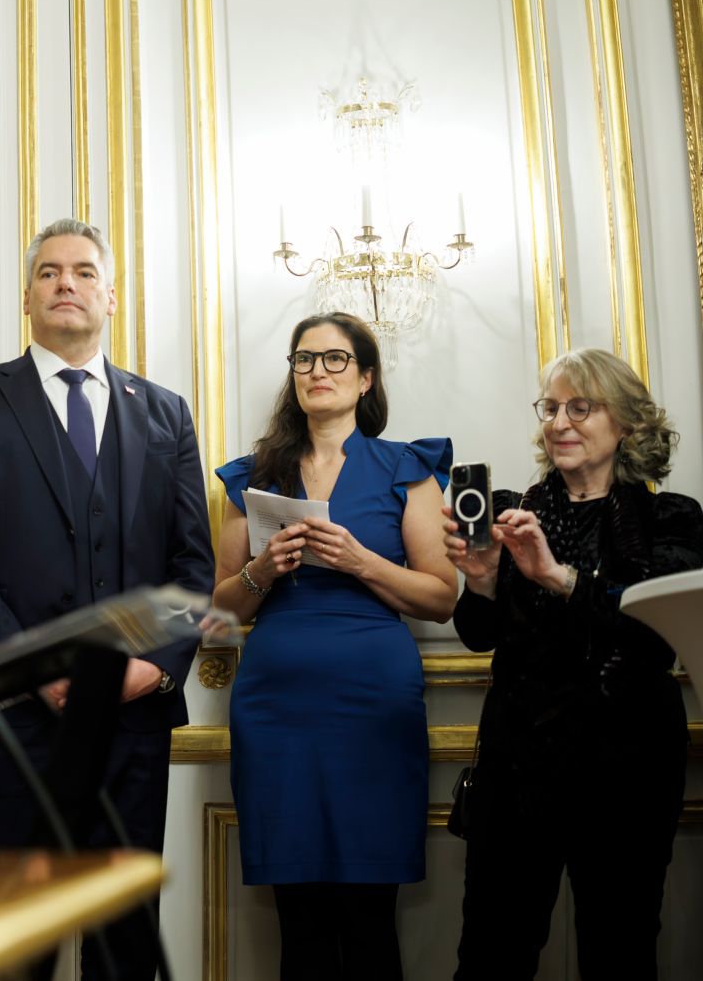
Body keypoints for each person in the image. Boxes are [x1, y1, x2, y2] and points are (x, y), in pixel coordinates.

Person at [0, 217, 213, 979]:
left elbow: (191, 562)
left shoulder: (167, 412)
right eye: (49, 272)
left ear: (111, 295)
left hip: (132, 720)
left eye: (83, 271)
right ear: (26, 296)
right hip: (12, 721)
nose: (66, 284)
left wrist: (158, 665)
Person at [210, 311, 456, 981]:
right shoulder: (253, 477)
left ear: (366, 377)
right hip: (278, 708)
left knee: (371, 912)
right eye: (304, 360)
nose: (317, 371)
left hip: (373, 707)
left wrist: (358, 560)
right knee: (301, 917)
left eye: (335, 359)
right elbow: (220, 606)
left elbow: (442, 596)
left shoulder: (408, 468)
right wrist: (263, 570)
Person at [444, 348, 701, 979]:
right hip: (517, 767)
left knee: (620, 949)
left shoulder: (673, 518)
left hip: (629, 769)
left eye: (580, 407)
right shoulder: (513, 510)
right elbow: (480, 637)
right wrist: (480, 580)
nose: (559, 421)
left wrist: (557, 577)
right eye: (551, 407)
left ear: (627, 424)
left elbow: (654, 640)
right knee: (491, 954)